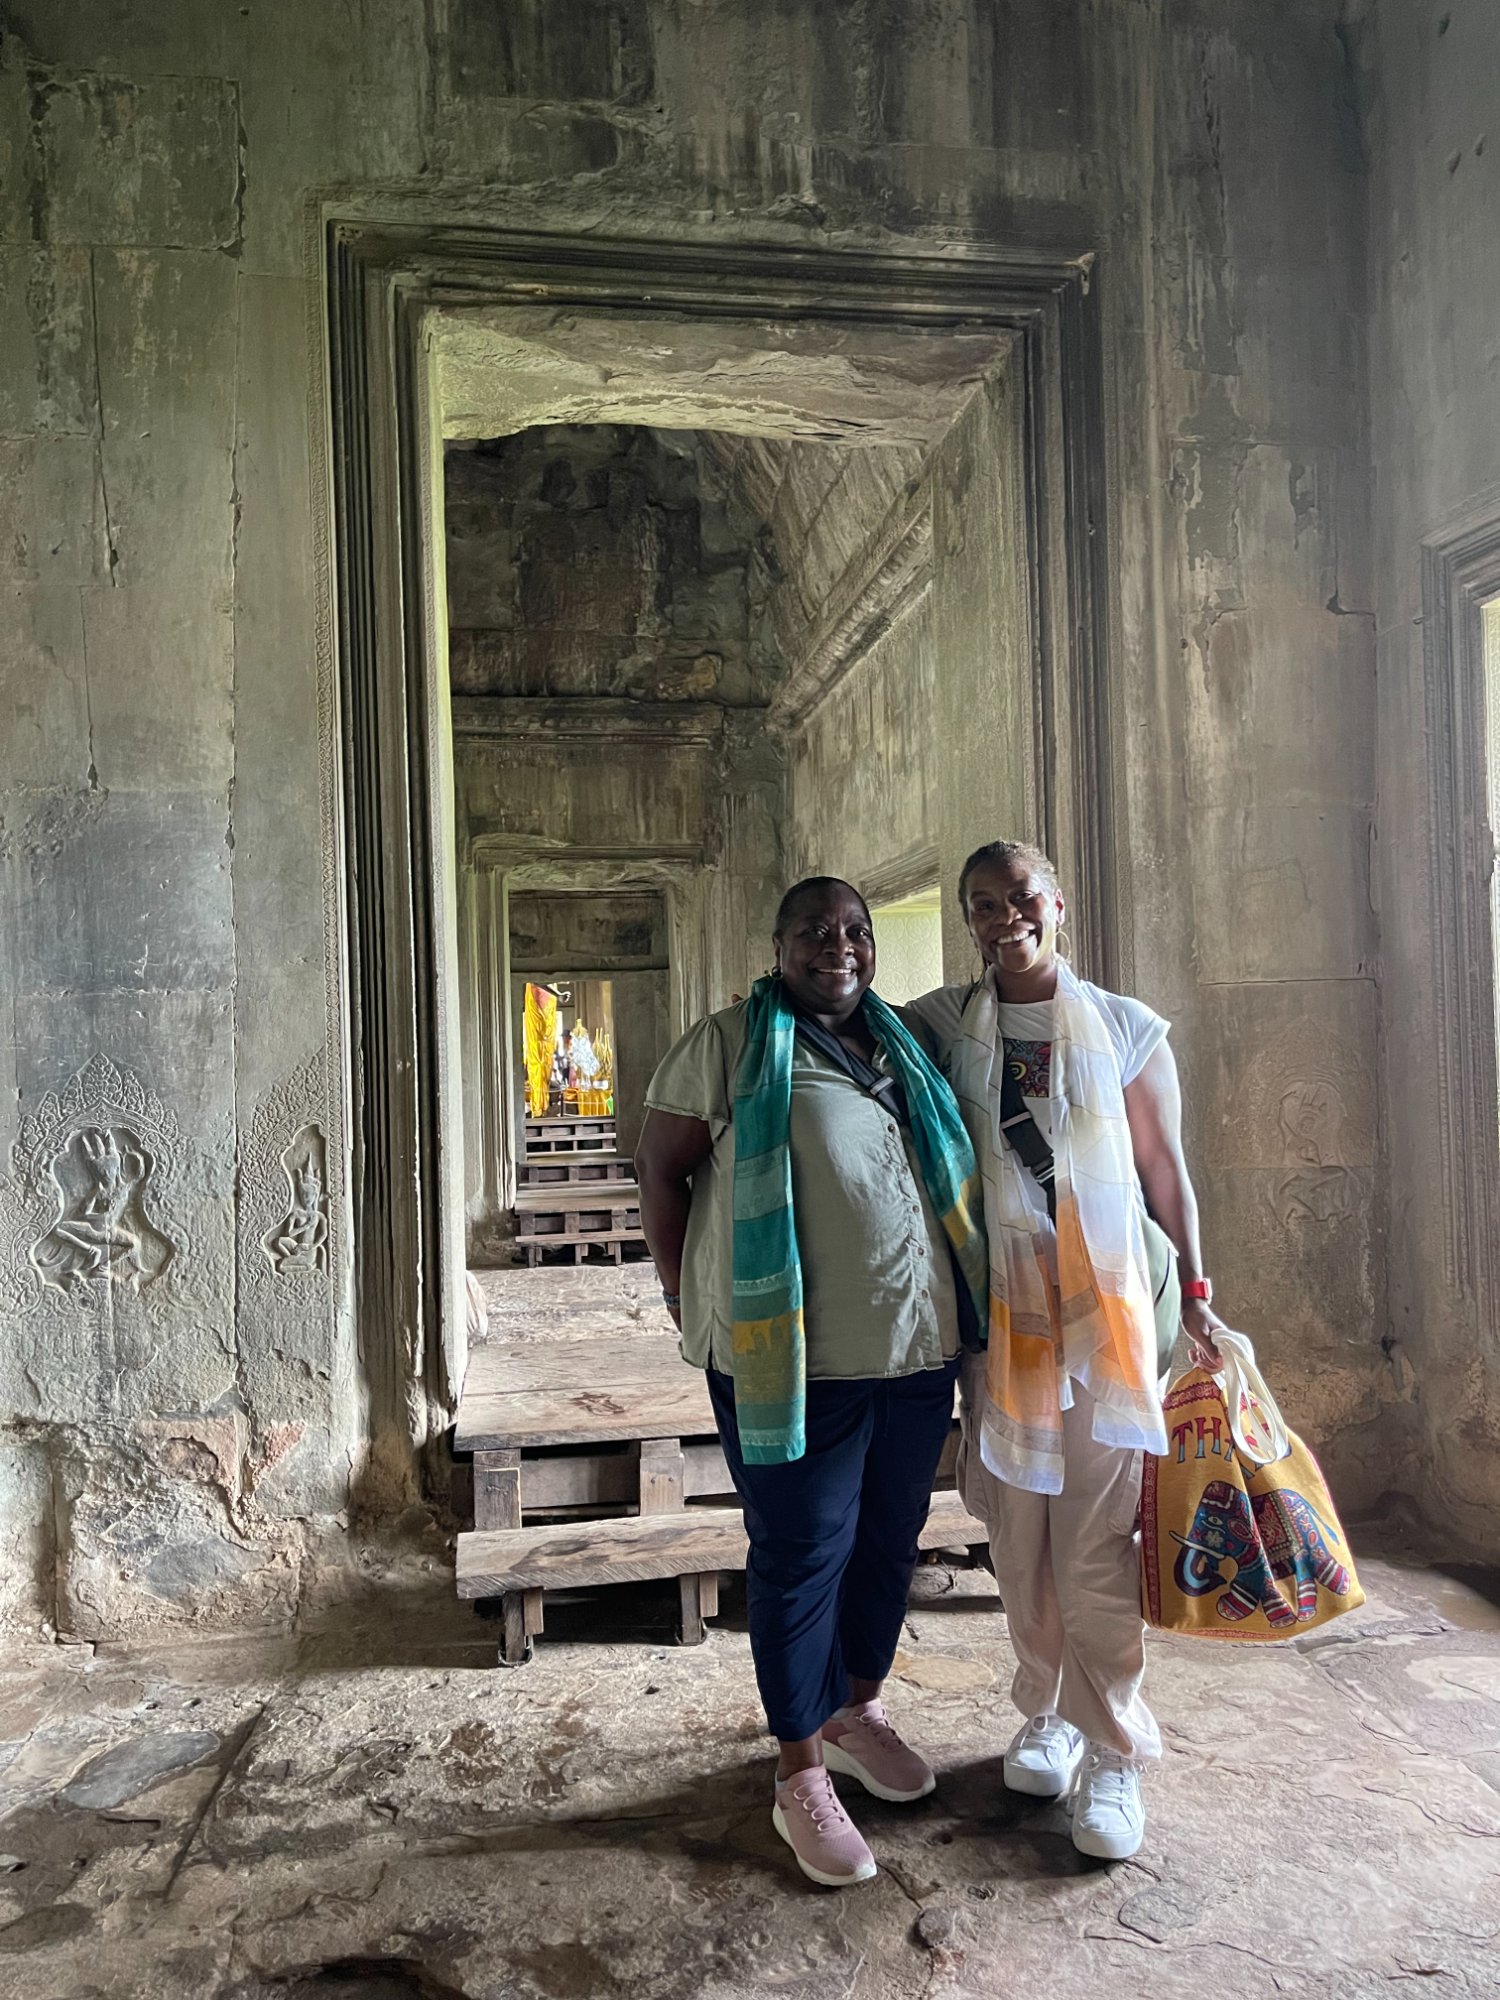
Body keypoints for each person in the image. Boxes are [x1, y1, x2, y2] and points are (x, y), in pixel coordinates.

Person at [635, 878, 988, 1888]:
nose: (840, 945)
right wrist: (678, 1287)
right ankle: (797, 1769)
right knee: (802, 1551)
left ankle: (855, 1708)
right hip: (795, 1359)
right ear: (780, 945)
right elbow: (661, 1168)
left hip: (916, 1354)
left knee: (889, 1539)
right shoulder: (731, 1041)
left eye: (856, 931)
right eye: (816, 932)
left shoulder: (901, 1045)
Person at [906, 841, 1227, 1863]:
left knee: (1094, 1546)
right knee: (1016, 1534)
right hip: (1001, 1327)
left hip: (1105, 1330)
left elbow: (1163, 1174)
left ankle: (1114, 1749)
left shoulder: (1128, 1027)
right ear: (968, 921)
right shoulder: (947, 1026)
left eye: (1022, 897)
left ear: (1059, 902)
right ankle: (1041, 1704)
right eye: (984, 904)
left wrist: (1207, 1293)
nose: (1007, 916)